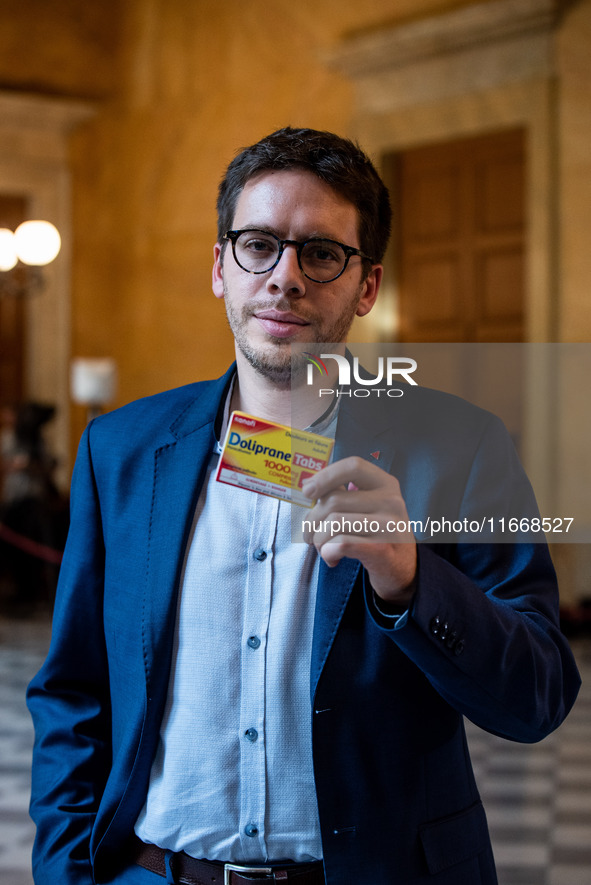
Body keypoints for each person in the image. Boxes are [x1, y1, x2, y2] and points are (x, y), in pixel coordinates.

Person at [27, 127, 581, 885]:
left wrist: (412, 581)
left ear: (367, 286)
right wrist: (65, 871)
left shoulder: (461, 447)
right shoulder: (119, 449)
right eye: (258, 245)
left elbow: (537, 696)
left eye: (320, 253)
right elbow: (73, 690)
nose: (284, 276)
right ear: (220, 267)